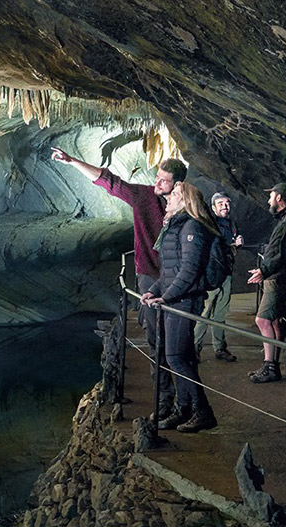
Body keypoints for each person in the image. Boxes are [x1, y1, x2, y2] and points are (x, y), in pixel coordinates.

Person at [51, 145, 187, 416]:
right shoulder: (144, 197)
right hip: (149, 276)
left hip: (177, 279)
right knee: (154, 337)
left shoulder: (188, 205)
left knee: (179, 342)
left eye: (162, 180)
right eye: (156, 177)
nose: (156, 182)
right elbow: (109, 181)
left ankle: (185, 399)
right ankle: (164, 396)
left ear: (177, 185)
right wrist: (73, 161)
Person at [140, 181, 221, 432]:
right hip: (176, 299)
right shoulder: (177, 226)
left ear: (186, 201)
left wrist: (167, 297)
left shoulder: (192, 227)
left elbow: (189, 270)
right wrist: (154, 291)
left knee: (176, 357)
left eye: (175, 194)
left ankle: (202, 411)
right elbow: (169, 270)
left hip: (184, 301)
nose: (169, 197)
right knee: (179, 356)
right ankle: (183, 408)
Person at [246, 183, 286, 383]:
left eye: (271, 196)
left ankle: (270, 366)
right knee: (273, 320)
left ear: (279, 198)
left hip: (278, 277)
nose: (268, 200)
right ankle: (272, 365)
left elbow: (284, 250)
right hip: (279, 275)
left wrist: (265, 270)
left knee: (263, 320)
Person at [198, 193, 244, 362]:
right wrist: (233, 246)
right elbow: (214, 249)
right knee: (204, 314)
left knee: (220, 314)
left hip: (226, 274)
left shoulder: (232, 224)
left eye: (227, 203)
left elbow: (228, 249)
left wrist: (236, 245)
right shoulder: (209, 225)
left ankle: (220, 348)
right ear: (214, 207)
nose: (225, 206)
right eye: (220, 203)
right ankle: (194, 349)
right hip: (211, 276)